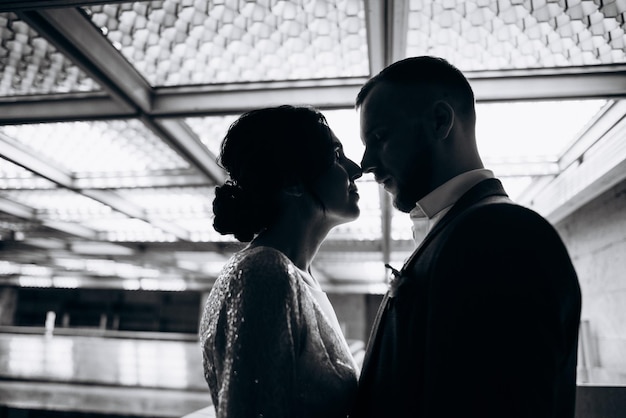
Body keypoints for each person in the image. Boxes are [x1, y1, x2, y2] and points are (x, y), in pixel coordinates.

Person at [351, 56, 582, 418]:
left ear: (440, 121)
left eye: (379, 138)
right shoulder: (466, 230)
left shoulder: (504, 238)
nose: (365, 163)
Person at [199, 105, 362, 418]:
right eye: (337, 156)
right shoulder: (264, 272)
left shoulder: (294, 275)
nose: (356, 169)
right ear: (292, 182)